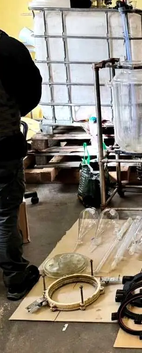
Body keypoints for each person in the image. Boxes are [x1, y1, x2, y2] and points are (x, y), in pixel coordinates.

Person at [0, 29, 42, 300]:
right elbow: (31, 89)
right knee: (4, 214)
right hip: (3, 147)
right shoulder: (8, 50)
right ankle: (15, 278)